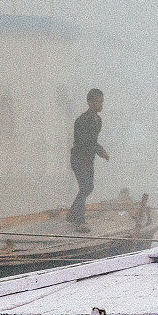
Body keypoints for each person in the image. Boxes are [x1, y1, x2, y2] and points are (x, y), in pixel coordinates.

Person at [67, 88, 109, 232]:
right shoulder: (82, 120)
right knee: (85, 187)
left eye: (102, 101)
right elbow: (84, 142)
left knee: (88, 187)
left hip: (88, 159)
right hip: (79, 158)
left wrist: (100, 151)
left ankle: (73, 213)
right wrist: (99, 150)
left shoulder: (98, 120)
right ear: (90, 103)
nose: (101, 105)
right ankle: (80, 220)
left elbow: (93, 141)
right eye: (98, 102)